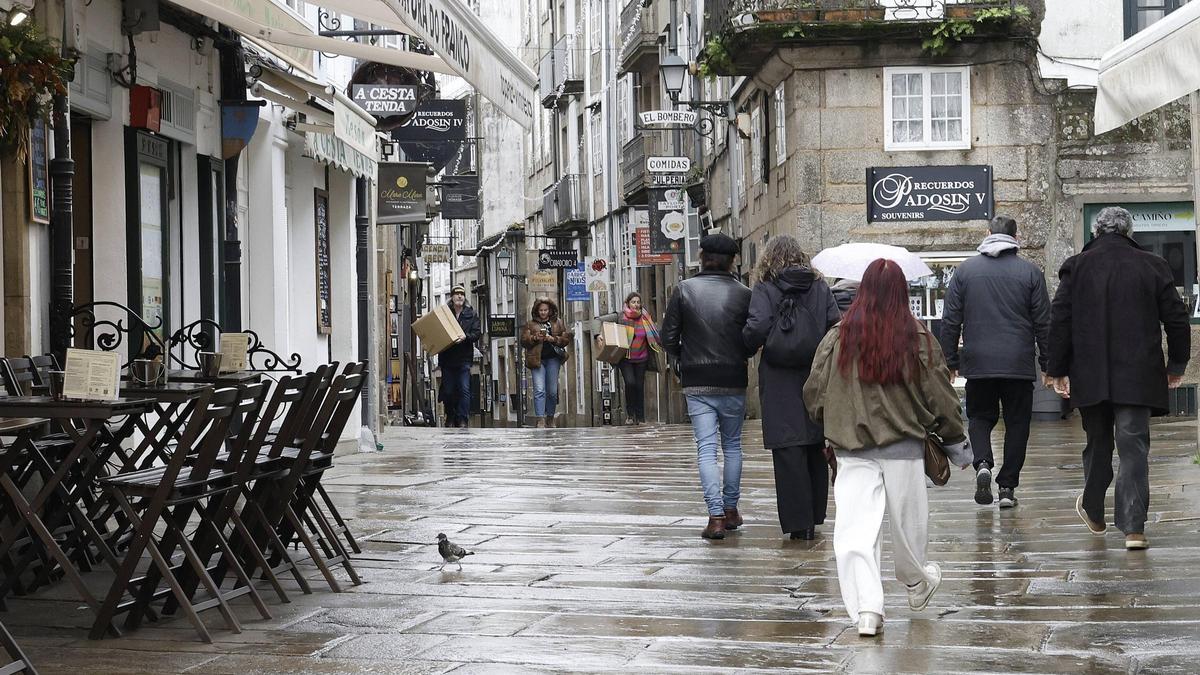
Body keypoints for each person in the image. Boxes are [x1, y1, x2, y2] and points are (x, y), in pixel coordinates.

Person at [804, 258, 971, 638]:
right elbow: (940, 393)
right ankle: (916, 583)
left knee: (855, 532)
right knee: (909, 525)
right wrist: (957, 442)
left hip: (852, 446)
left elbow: (815, 391)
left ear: (862, 291)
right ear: (902, 293)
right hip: (904, 444)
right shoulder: (917, 337)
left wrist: (828, 423)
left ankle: (867, 610)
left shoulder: (837, 336)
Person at [1046, 206, 1190, 551]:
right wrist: (1177, 364)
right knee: (1133, 447)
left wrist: (1057, 369)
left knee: (1097, 443)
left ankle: (1095, 510)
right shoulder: (1153, 265)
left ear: (1096, 232)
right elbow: (1177, 319)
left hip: (1090, 373)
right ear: (1130, 233)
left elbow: (1060, 320)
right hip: (1138, 374)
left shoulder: (1077, 267)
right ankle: (1133, 528)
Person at [938, 215, 1051, 509]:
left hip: (978, 361)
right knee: (1017, 424)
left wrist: (949, 361)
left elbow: (950, 320)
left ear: (987, 234)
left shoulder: (965, 272)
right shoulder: (1030, 272)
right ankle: (1007, 488)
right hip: (1018, 363)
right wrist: (1051, 365)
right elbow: (1044, 323)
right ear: (1017, 237)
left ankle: (984, 463)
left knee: (979, 417)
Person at [743, 236, 840, 540]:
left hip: (779, 376)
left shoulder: (765, 288)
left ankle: (799, 523)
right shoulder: (819, 286)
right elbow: (835, 324)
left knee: (787, 449)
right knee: (814, 444)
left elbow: (757, 326)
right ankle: (815, 514)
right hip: (815, 372)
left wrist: (749, 343)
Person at [661, 233, 753, 540]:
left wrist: (680, 358)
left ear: (702, 256)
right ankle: (731, 510)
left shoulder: (684, 290)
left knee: (706, 449)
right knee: (733, 446)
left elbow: (668, 337)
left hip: (697, 380)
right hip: (733, 379)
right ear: (732, 261)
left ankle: (714, 517)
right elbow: (751, 339)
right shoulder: (744, 293)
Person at [520, 299, 573, 428]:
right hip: (537, 360)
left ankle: (550, 417)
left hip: (553, 359)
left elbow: (566, 339)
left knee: (552, 391)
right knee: (539, 389)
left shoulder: (558, 322)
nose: (543, 312)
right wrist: (534, 338)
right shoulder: (530, 324)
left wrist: (553, 339)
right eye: (541, 310)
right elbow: (524, 341)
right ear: (537, 311)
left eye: (545, 310)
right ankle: (540, 419)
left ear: (550, 310)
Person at [438, 285, 481, 428]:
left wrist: (465, 337)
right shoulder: (445, 314)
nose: (459, 296)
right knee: (448, 391)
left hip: (464, 358)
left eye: (462, 294)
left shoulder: (471, 314)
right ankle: (450, 415)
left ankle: (463, 419)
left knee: (464, 389)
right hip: (447, 359)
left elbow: (476, 334)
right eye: (457, 294)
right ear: (452, 296)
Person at [617, 292, 663, 425]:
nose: (636, 304)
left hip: (641, 358)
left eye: (638, 302)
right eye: (633, 302)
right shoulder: (620, 316)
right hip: (626, 357)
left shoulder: (645, 318)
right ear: (628, 303)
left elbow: (655, 333)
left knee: (639, 386)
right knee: (630, 383)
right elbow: (600, 321)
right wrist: (598, 335)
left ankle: (641, 417)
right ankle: (630, 414)